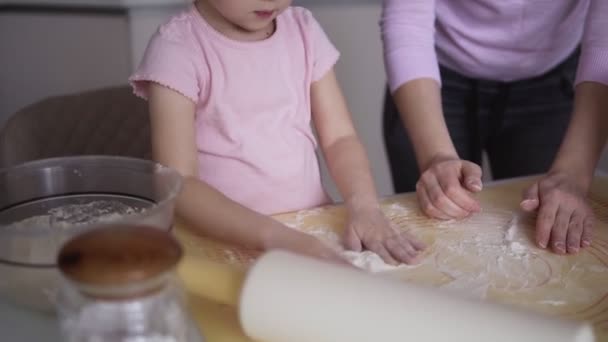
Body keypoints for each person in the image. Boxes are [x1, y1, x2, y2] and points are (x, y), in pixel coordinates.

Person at [130, 0, 425, 266]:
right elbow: (179, 181)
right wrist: (277, 237)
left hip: (307, 229)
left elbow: (340, 139)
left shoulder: (303, 30)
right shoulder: (178, 46)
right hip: (221, 246)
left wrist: (365, 207)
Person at [381, 0, 608, 255]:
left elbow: (604, 37)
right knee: (434, 230)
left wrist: (573, 175)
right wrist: (436, 156)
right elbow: (407, 22)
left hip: (553, 79)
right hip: (430, 76)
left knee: (541, 230)